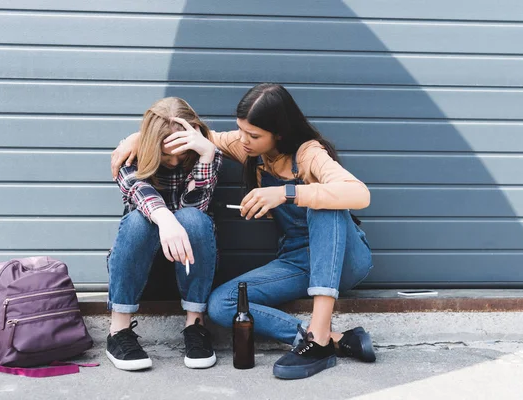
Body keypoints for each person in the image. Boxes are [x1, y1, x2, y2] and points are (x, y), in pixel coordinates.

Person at [111, 84, 375, 379]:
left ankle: (319, 338)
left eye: (253, 135)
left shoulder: (310, 154)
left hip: (344, 261)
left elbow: (359, 194)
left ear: (279, 134)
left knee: (325, 202)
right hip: (298, 262)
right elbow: (198, 139)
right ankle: (332, 339)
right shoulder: (247, 146)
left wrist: (287, 193)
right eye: (241, 131)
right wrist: (138, 139)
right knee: (224, 305)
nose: (243, 140)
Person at [107, 97, 222, 371]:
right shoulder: (131, 153)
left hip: (191, 271)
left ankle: (196, 325)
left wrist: (206, 156)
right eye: (165, 154)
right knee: (139, 221)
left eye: (180, 153)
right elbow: (137, 191)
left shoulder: (205, 152)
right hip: (138, 276)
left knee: (193, 218)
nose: (173, 161)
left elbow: (197, 206)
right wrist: (165, 219)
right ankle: (118, 330)